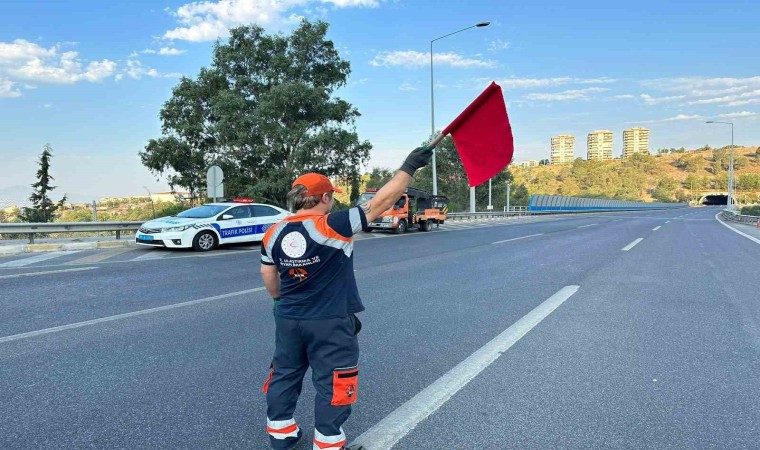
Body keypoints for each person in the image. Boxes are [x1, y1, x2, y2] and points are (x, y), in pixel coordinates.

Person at [259, 145, 434, 450]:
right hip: (329, 321)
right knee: (334, 381)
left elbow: (269, 275)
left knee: (285, 372)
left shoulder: (273, 232)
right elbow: (382, 202)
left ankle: (281, 433)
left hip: (288, 318)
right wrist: (409, 166)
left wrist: (279, 301)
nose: (333, 201)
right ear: (324, 197)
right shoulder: (332, 225)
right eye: (332, 196)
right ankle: (327, 444)